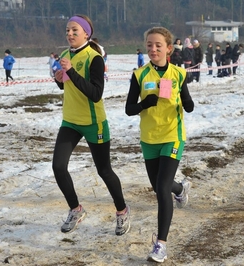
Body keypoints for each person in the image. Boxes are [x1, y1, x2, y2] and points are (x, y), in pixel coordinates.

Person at [52, 14, 130, 236]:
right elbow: (70, 86)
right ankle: (76, 209)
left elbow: (95, 94)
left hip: (93, 122)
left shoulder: (94, 58)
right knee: (58, 166)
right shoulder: (66, 55)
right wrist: (60, 80)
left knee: (104, 170)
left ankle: (122, 210)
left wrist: (71, 72)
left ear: (86, 33)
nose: (70, 34)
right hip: (70, 121)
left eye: (75, 30)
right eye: (67, 30)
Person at [125, 26, 194, 263]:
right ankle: (181, 188)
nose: (153, 49)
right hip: (149, 139)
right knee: (159, 187)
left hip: (173, 136)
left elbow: (189, 104)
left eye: (157, 45)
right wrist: (146, 103)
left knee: (161, 189)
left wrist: (186, 100)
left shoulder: (178, 74)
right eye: (149, 45)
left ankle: (160, 245)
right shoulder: (139, 75)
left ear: (168, 48)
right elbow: (128, 109)